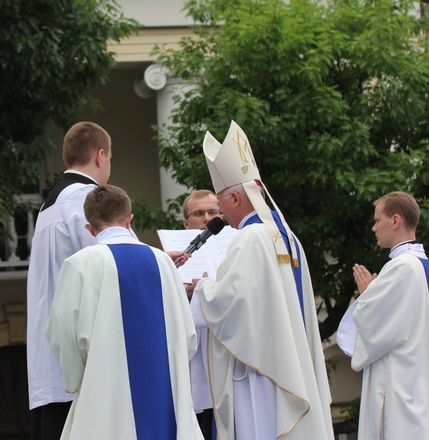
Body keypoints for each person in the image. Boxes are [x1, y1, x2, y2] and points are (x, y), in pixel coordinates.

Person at [193, 120, 334, 439]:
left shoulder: (251, 237)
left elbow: (229, 304)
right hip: (288, 362)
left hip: (261, 371)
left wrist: (200, 288)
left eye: (220, 202)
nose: (221, 213)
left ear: (235, 199)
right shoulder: (288, 236)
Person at [45, 185, 203, 440]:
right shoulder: (163, 261)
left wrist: (79, 376)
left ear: (89, 227)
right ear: (130, 220)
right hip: (165, 395)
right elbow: (186, 336)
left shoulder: (79, 264)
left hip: (104, 392)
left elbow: (61, 333)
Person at [26, 121, 112, 440]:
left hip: (53, 360)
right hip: (79, 362)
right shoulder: (86, 198)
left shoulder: (52, 204)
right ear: (101, 156)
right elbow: (109, 263)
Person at [337, 192, 429, 439]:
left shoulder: (402, 267)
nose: (374, 227)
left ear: (396, 221)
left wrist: (367, 296)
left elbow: (379, 328)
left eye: (378, 220)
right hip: (415, 381)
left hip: (397, 386)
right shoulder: (421, 264)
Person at [182, 190, 222, 440]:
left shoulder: (238, 247)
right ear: (186, 223)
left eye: (213, 212)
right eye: (199, 213)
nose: (207, 218)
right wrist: (186, 295)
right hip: (196, 360)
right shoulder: (173, 259)